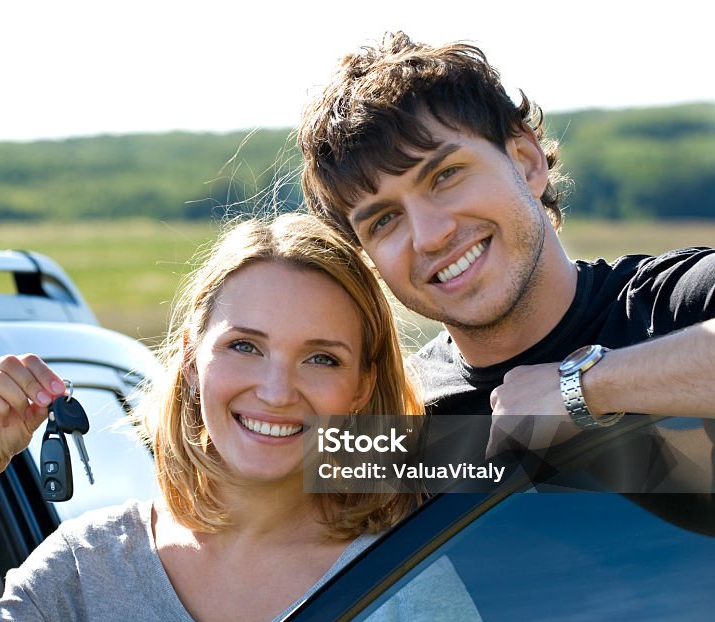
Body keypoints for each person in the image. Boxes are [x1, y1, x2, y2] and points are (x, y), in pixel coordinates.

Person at [0, 214, 501, 622]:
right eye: (244, 346)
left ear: (362, 384)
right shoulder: (88, 566)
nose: (276, 390)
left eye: (321, 358)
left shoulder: (405, 585)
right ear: (189, 357)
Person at [296, 32, 715, 423]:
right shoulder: (404, 420)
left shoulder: (675, 305)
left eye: (445, 175)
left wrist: (583, 388)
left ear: (526, 161)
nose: (430, 235)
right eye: (385, 219)